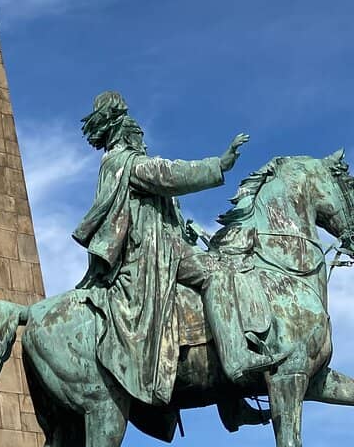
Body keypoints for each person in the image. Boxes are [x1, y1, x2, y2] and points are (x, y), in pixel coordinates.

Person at [73, 91, 273, 427]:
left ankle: (230, 400)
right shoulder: (126, 163)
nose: (143, 141)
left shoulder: (125, 165)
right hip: (153, 256)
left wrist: (185, 230)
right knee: (219, 275)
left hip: (170, 247)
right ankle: (237, 360)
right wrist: (219, 164)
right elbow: (170, 174)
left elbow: (161, 212)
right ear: (125, 134)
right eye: (138, 134)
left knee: (215, 281)